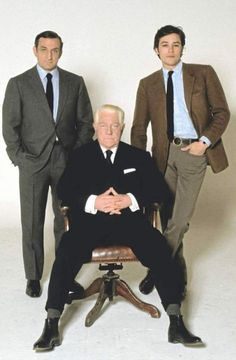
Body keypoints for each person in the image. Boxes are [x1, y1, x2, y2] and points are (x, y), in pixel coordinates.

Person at [33, 104, 203, 351]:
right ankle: (51, 323)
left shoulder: (138, 157)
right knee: (67, 249)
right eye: (104, 125)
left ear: (122, 128)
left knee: (159, 247)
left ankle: (176, 321)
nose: (109, 131)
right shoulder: (80, 156)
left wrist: (129, 199)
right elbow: (65, 191)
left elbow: (160, 191)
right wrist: (95, 202)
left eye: (114, 126)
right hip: (90, 223)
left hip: (129, 223)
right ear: (95, 127)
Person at [131, 25, 230, 296]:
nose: (171, 50)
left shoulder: (203, 73)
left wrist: (204, 143)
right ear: (156, 50)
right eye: (165, 45)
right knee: (167, 217)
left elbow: (222, 112)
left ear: (182, 48)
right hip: (162, 157)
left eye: (176, 44)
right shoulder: (147, 84)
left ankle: (156, 267)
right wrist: (136, 167)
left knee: (180, 220)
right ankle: (178, 275)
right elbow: (139, 128)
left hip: (193, 153)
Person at [2, 30, 94, 298]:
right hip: (32, 161)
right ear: (35, 50)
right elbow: (10, 126)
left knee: (66, 219)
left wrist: (76, 155)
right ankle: (32, 276)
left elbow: (86, 122)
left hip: (65, 160)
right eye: (44, 49)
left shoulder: (75, 82)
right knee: (32, 220)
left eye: (55, 50)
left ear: (61, 51)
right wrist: (19, 157)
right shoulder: (18, 83)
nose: (49, 55)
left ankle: (64, 274)